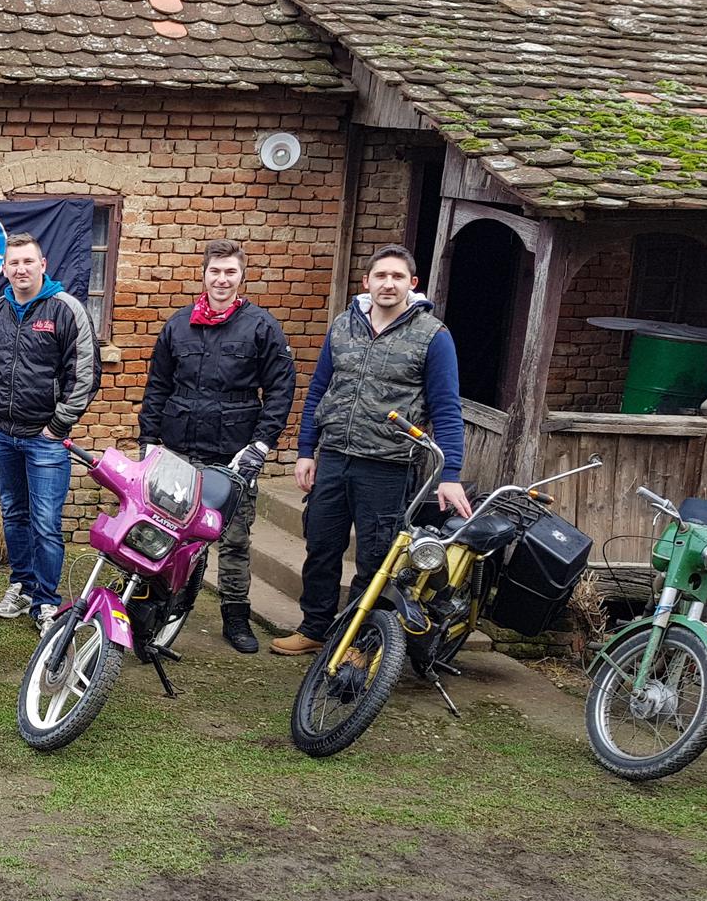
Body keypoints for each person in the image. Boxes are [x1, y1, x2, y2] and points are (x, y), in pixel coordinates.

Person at [270, 244, 471, 656]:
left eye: (397, 277)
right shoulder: (344, 326)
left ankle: (359, 641)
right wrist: (306, 450)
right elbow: (319, 391)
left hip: (388, 466)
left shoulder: (433, 336)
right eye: (381, 276)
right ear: (367, 282)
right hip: (334, 458)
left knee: (376, 560)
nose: (388, 284)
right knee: (321, 547)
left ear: (412, 283)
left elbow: (447, 410)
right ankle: (314, 628)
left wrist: (450, 474)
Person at [137, 239, 296, 653]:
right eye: (215, 271)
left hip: (233, 455)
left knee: (235, 539)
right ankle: (155, 607)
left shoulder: (261, 327)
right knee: (166, 533)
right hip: (179, 451)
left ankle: (235, 616)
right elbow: (157, 386)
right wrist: (148, 440)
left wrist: (261, 444)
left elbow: (281, 390)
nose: (222, 279)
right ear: (204, 274)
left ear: (241, 276)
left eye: (230, 272)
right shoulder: (178, 325)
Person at [0, 232, 100, 632]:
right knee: (14, 514)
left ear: (43, 265)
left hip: (45, 441)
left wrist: (58, 425)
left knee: (45, 522)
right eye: (14, 263)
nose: (21, 269)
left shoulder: (66, 309)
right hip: (1, 435)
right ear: (4, 269)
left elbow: (85, 374)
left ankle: (46, 601)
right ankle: (21, 586)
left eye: (28, 261)